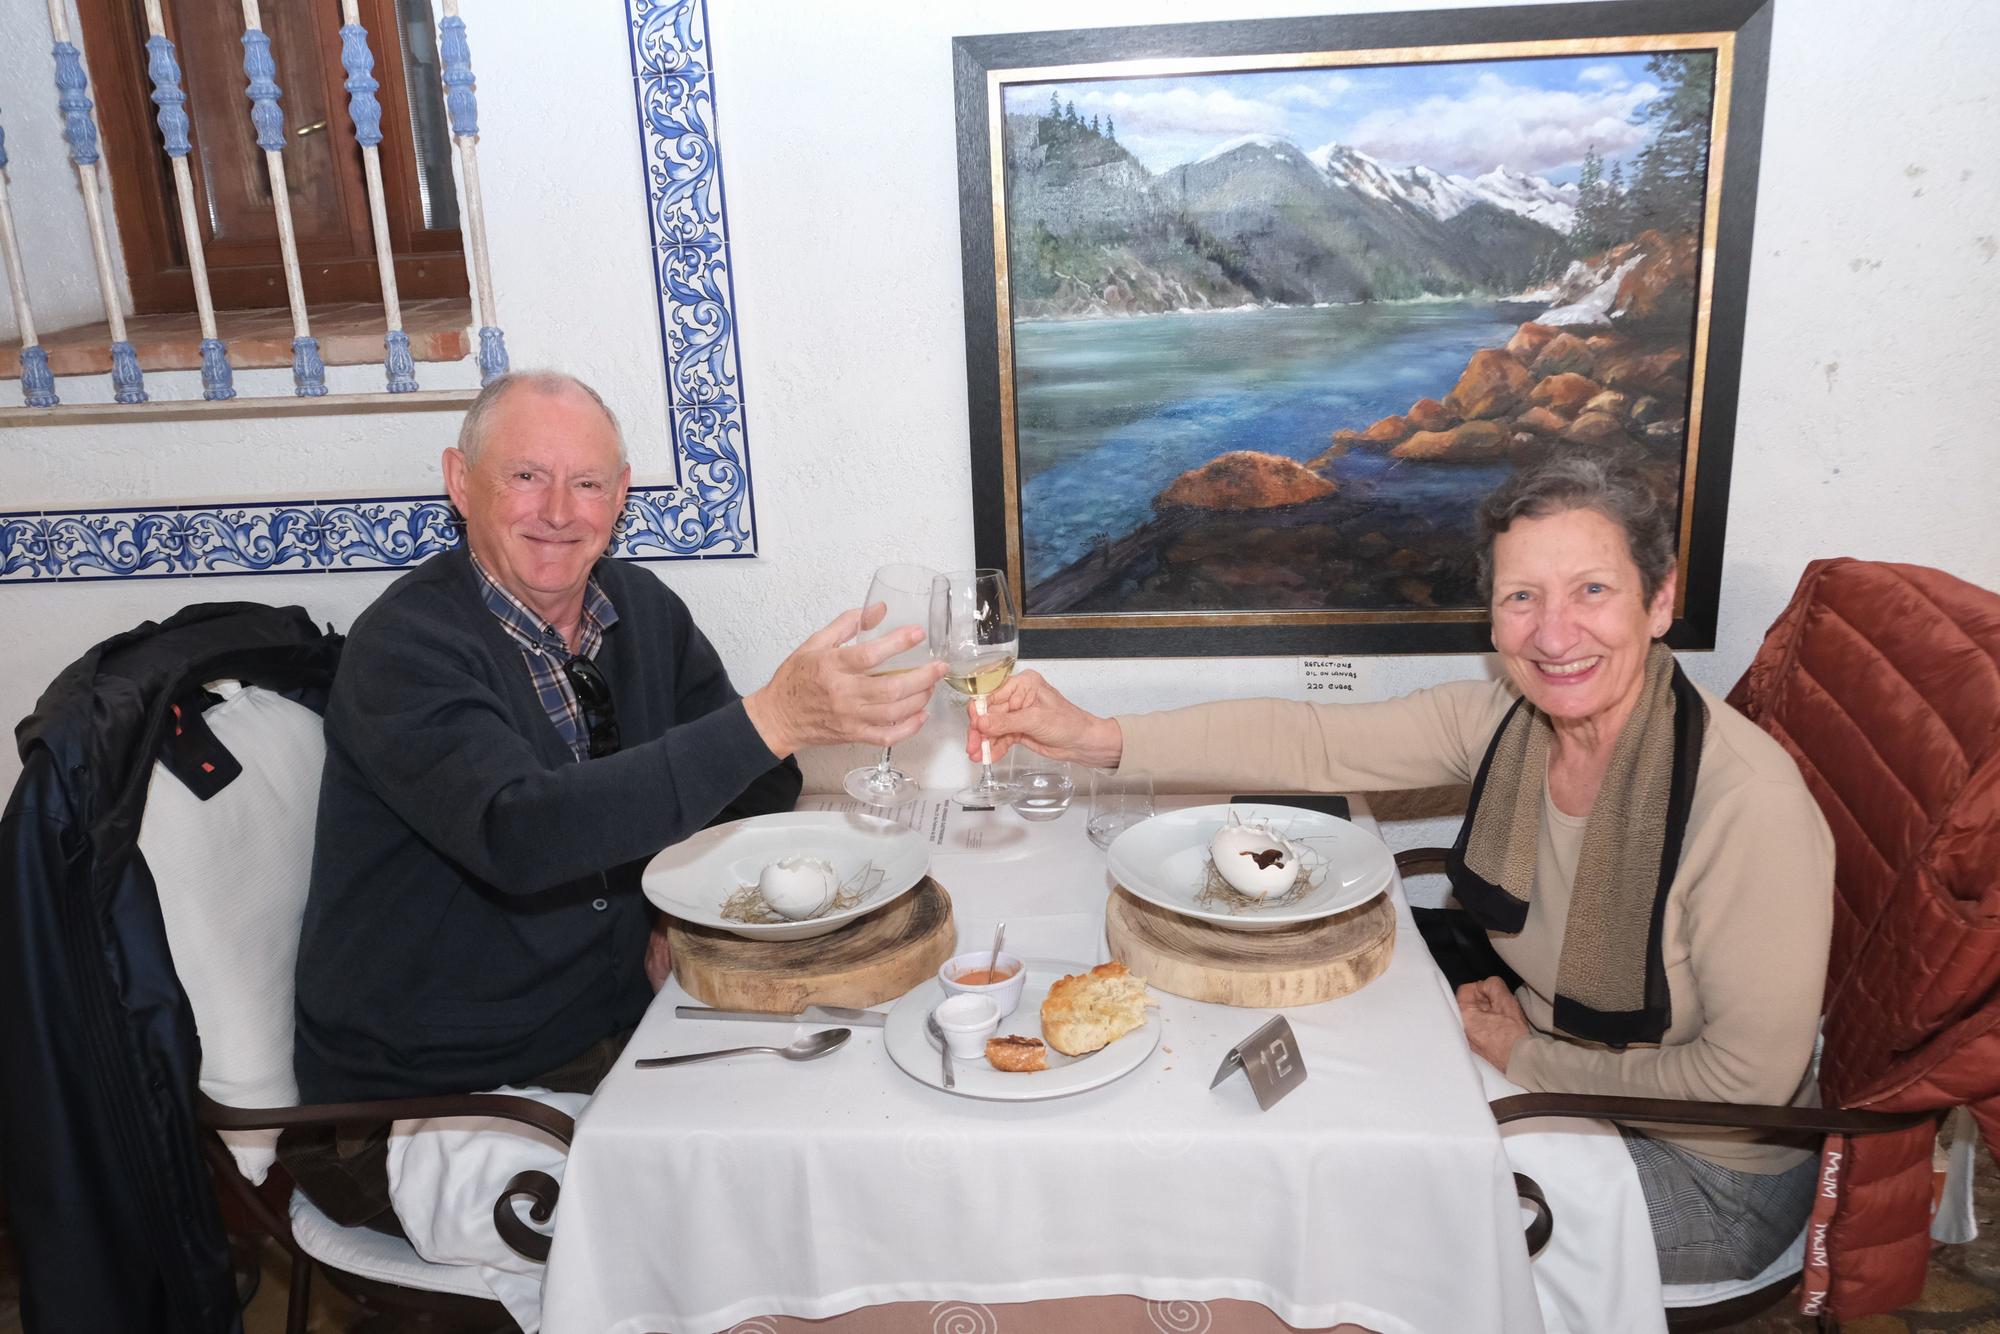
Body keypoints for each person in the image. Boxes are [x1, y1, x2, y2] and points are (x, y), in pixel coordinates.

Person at [968, 451, 1833, 1286]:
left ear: (1660, 599)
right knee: (1279, 1142)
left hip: (1704, 1171)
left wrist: (1527, 1055)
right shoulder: (1512, 717)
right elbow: (1313, 739)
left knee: (1334, 1216)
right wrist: (1094, 736)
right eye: (1521, 597)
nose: (1555, 632)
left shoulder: (1745, 803)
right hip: (1557, 1074)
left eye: (1593, 591)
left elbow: (1742, 1081)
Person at [283, 370, 945, 1230]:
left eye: (588, 482)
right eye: (525, 476)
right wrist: (772, 717)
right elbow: (521, 833)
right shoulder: (404, 650)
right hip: (426, 1102)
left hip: (611, 1041)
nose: (559, 510)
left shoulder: (637, 608)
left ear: (620, 494)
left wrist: (675, 914)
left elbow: (761, 778)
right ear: (460, 481)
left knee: (859, 1131)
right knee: (728, 1229)